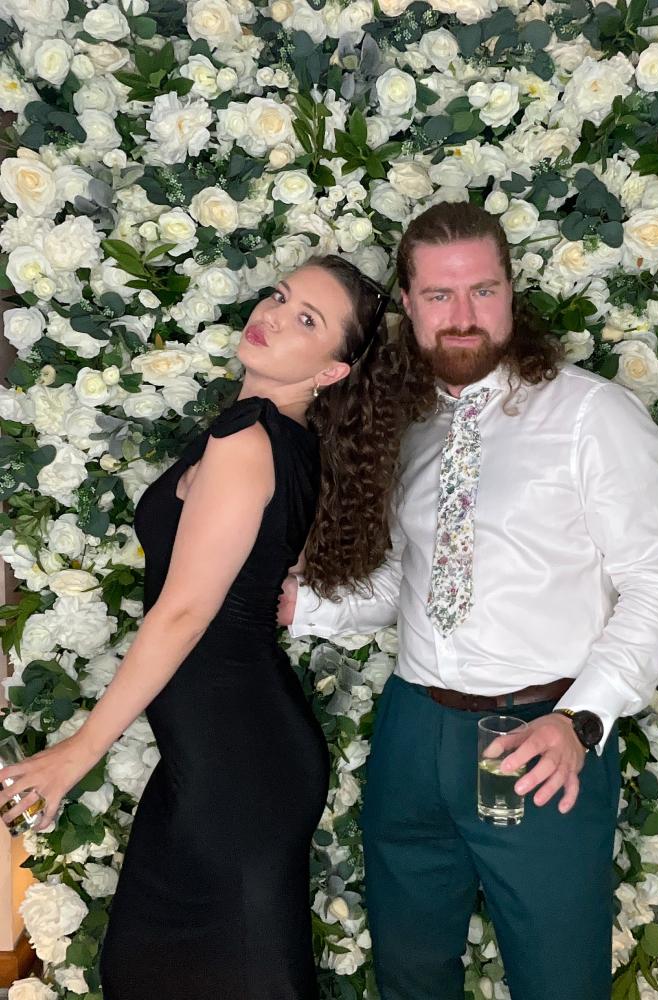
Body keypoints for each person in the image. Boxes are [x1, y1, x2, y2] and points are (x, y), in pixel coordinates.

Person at [281, 202, 658, 1000]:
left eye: (483, 290)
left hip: (541, 734)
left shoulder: (592, 415)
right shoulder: (407, 423)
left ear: (511, 290)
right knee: (409, 974)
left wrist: (582, 720)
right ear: (408, 304)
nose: (463, 315)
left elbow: (657, 582)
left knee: (558, 981)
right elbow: (404, 584)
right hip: (413, 732)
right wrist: (300, 608)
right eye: (440, 295)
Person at [0, 255, 423, 999]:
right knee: (151, 971)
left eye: (306, 320)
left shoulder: (250, 441)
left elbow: (185, 611)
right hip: (220, 758)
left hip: (239, 767)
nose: (272, 315)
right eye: (280, 296)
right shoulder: (277, 438)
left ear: (330, 371)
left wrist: (79, 753)